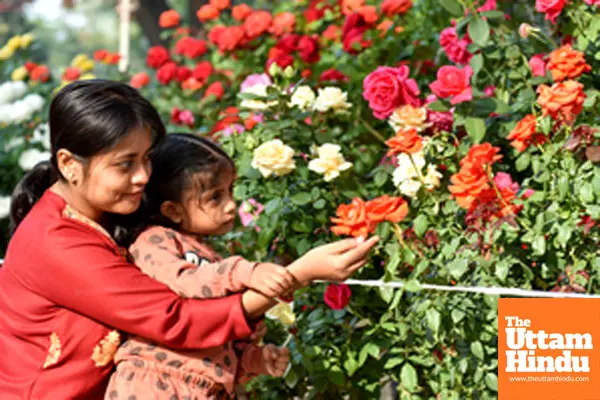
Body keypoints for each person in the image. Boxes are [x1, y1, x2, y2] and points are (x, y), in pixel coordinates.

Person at [0, 80, 379, 400]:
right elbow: (175, 319)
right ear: (68, 164)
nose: (142, 176)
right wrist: (298, 274)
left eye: (146, 159)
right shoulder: (57, 241)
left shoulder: (105, 216)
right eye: (124, 164)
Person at [106, 133, 301, 399]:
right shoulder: (154, 242)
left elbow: (212, 336)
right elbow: (188, 283)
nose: (231, 206)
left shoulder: (210, 256)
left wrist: (253, 360)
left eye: (230, 190)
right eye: (214, 198)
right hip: (156, 383)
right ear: (173, 210)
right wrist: (244, 271)